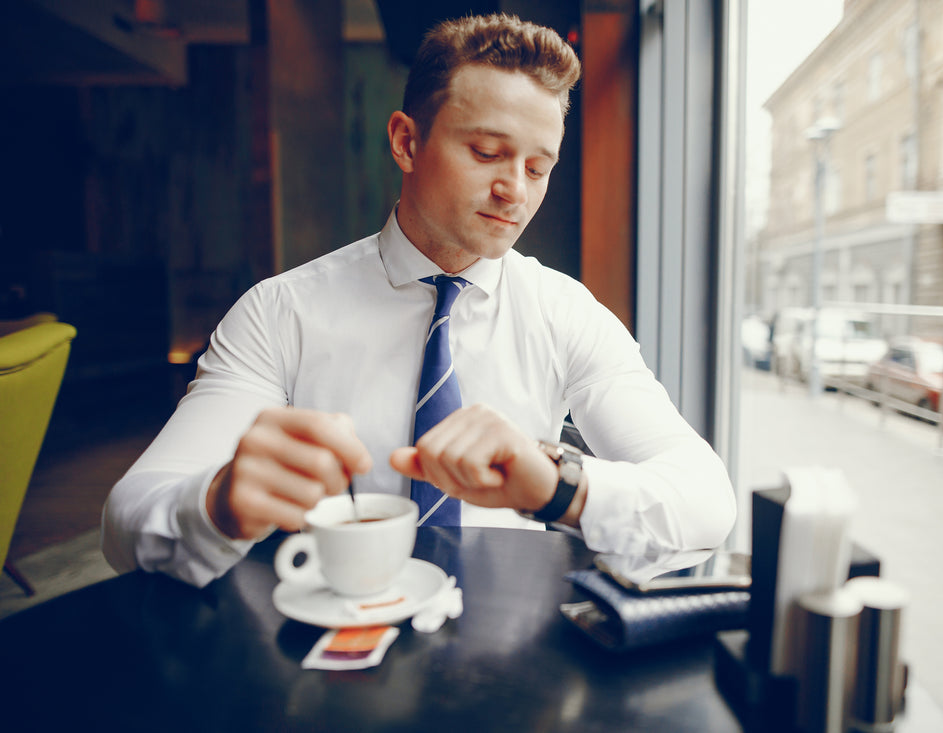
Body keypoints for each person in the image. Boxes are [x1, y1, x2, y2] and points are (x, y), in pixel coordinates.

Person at [102, 13, 736, 587]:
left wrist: (558, 487)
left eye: (538, 168)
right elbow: (126, 524)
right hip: (327, 644)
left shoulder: (565, 312)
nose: (514, 190)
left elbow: (706, 505)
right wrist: (218, 501)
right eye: (487, 152)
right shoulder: (279, 313)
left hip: (513, 658)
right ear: (407, 142)